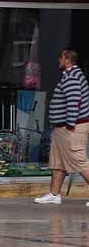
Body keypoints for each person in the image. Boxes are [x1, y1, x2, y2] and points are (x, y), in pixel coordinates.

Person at [35, 47, 89, 205]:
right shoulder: (70, 76)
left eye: (60, 58)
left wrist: (70, 125)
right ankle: (54, 194)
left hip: (71, 128)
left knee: (79, 161)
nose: (59, 61)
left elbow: (74, 103)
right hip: (63, 127)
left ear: (67, 60)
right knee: (57, 161)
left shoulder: (72, 78)